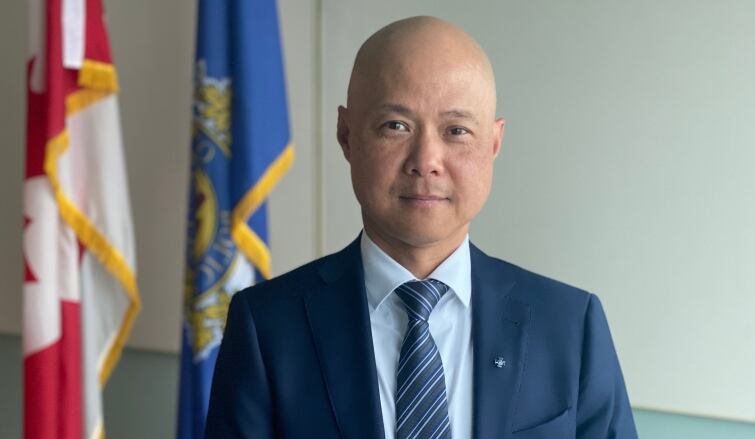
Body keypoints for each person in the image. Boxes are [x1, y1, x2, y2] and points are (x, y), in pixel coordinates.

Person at [205, 16, 637, 439]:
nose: (426, 160)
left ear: (493, 143)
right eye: (396, 126)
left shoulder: (571, 326)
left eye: (456, 130)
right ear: (347, 135)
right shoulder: (267, 327)